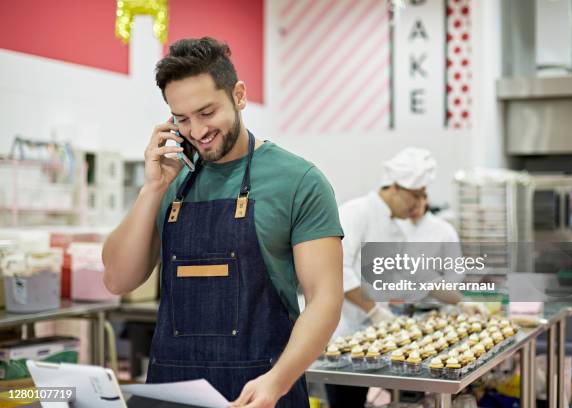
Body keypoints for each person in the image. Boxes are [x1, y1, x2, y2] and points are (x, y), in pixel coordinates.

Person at [102, 37, 344, 408]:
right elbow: (119, 279)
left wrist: (277, 381)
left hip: (262, 391)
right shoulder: (171, 179)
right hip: (173, 392)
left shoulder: (299, 181)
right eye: (182, 119)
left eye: (207, 112)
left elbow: (324, 299)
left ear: (239, 96)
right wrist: (152, 189)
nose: (197, 131)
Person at [326, 147, 465, 408]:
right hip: (342, 334)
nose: (419, 203)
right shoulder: (356, 212)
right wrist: (374, 312)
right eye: (417, 195)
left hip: (371, 338)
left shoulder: (394, 229)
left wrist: (462, 301)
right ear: (395, 188)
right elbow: (337, 270)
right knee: (345, 403)